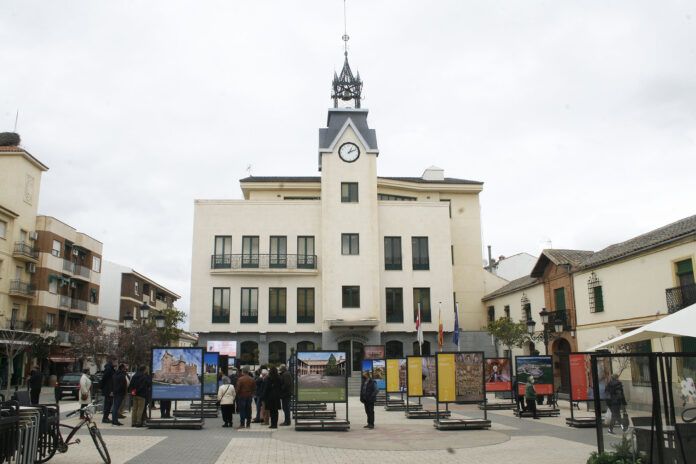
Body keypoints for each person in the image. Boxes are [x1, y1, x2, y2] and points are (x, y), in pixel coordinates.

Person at [101, 358, 116, 424]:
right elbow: (105, 379)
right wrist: (110, 390)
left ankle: (106, 417)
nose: (116, 363)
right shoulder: (109, 369)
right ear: (112, 361)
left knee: (109, 404)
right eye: (116, 361)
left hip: (110, 389)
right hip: (109, 390)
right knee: (108, 404)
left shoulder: (111, 368)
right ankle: (105, 418)